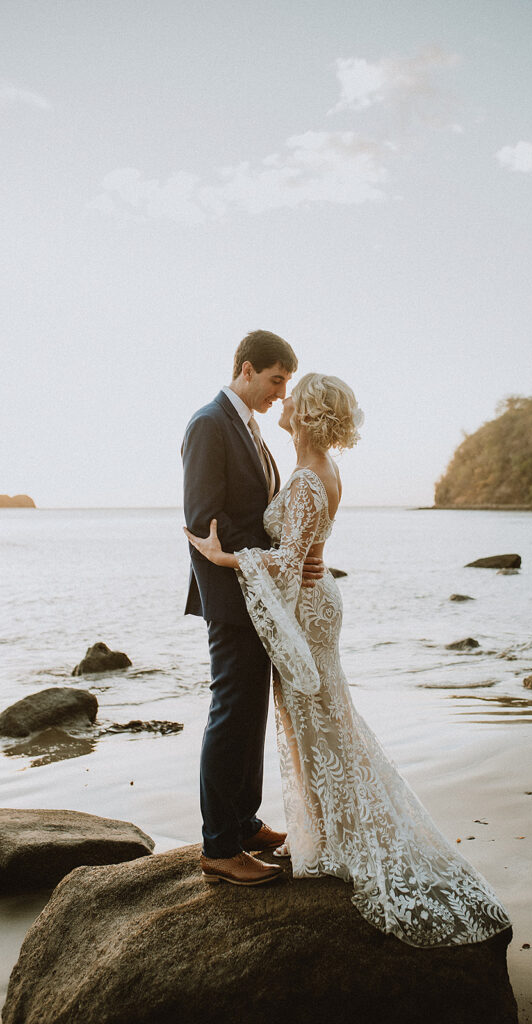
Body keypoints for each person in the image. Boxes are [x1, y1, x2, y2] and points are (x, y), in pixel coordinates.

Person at [185, 372, 511, 946]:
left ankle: (338, 836)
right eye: (279, 385)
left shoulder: (311, 478)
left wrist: (225, 556)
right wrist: (304, 554)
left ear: (307, 415)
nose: (283, 400)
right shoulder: (314, 471)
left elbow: (288, 560)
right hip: (310, 605)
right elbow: (303, 548)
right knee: (321, 720)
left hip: (307, 611)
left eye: (293, 392)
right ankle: (326, 829)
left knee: (322, 723)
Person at [182, 329, 324, 887]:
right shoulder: (208, 424)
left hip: (259, 594)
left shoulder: (251, 428)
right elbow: (204, 523)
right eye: (275, 380)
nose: (281, 393)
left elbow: (264, 514)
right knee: (231, 712)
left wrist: (294, 559)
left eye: (285, 381)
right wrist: (270, 563)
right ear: (246, 369)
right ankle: (218, 846)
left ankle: (243, 821)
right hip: (230, 596)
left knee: (252, 713)